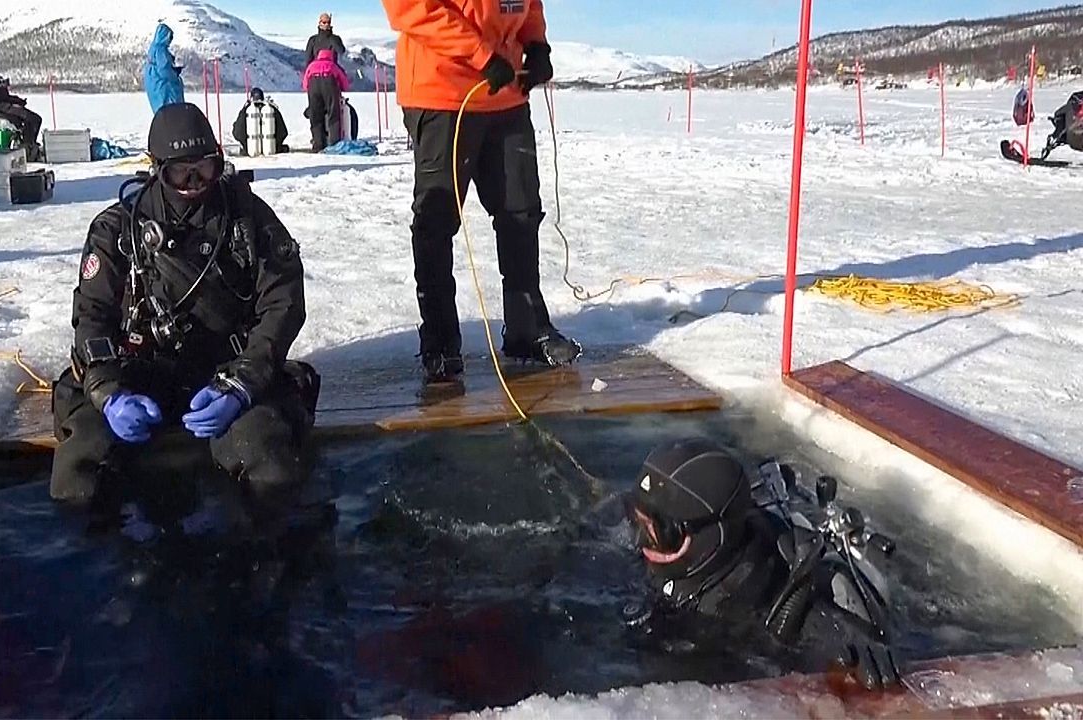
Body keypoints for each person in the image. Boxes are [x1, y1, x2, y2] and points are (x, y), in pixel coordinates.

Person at [49, 102, 319, 537]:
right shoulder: (118, 230)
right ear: (157, 169)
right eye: (180, 173)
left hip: (226, 378)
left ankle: (268, 564)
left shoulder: (248, 219)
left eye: (206, 169)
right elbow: (92, 318)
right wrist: (108, 393)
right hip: (140, 376)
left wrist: (244, 383)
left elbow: (283, 303)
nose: (194, 185)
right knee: (80, 471)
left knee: (271, 462)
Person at [382, 0, 581, 383]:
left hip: (506, 93)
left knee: (521, 212)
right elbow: (409, 8)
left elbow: (528, 5)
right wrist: (481, 54)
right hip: (443, 93)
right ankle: (440, 342)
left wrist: (535, 43)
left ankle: (527, 328)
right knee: (437, 219)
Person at [626, 439, 902, 690]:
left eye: (660, 532)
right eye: (637, 519)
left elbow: (816, 622)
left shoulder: (762, 597)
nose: (640, 541)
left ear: (712, 537)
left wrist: (849, 640)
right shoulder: (659, 554)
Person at [0, 48, 43, 161]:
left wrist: (16, 99)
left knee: (32, 119)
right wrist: (6, 91)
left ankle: (29, 146)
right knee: (33, 119)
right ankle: (27, 148)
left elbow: (0, 94)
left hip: (3, 104)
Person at [303, 49, 350, 152]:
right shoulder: (332, 65)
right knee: (333, 114)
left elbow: (305, 83)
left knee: (315, 116)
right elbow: (344, 83)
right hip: (329, 84)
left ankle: (318, 144)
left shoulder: (311, 65)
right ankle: (334, 144)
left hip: (313, 86)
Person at [232, 87, 290, 155]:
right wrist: (276, 144)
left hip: (249, 151)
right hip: (273, 150)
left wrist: (246, 145)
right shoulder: (272, 109)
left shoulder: (246, 111)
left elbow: (237, 133)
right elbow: (283, 132)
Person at [144, 22, 185, 114]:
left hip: (155, 85)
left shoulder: (154, 48)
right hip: (163, 89)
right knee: (171, 112)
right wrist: (174, 74)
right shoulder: (160, 50)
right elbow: (164, 70)